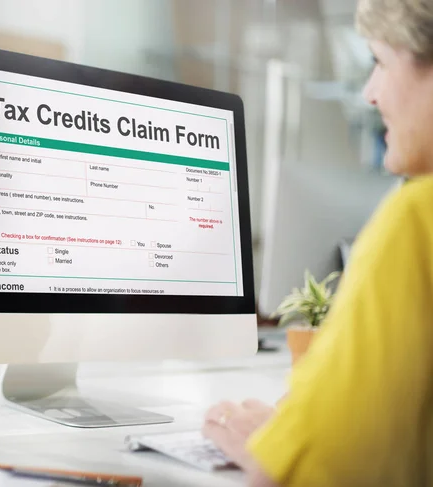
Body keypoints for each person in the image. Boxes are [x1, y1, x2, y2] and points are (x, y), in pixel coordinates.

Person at [202, 1, 433, 485]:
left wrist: (273, 445)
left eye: (380, 62)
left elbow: (320, 470)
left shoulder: (416, 218)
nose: (370, 93)